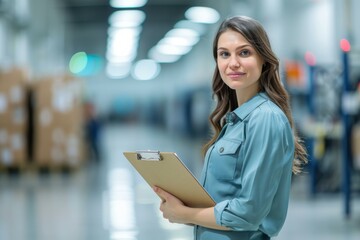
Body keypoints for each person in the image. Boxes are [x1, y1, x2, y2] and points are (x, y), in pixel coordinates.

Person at [153, 15, 308, 240]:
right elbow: (225, 199)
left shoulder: (264, 119)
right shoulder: (234, 120)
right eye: (224, 54)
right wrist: (182, 206)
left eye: (244, 52)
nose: (233, 63)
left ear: (263, 59)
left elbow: (249, 213)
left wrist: (187, 214)